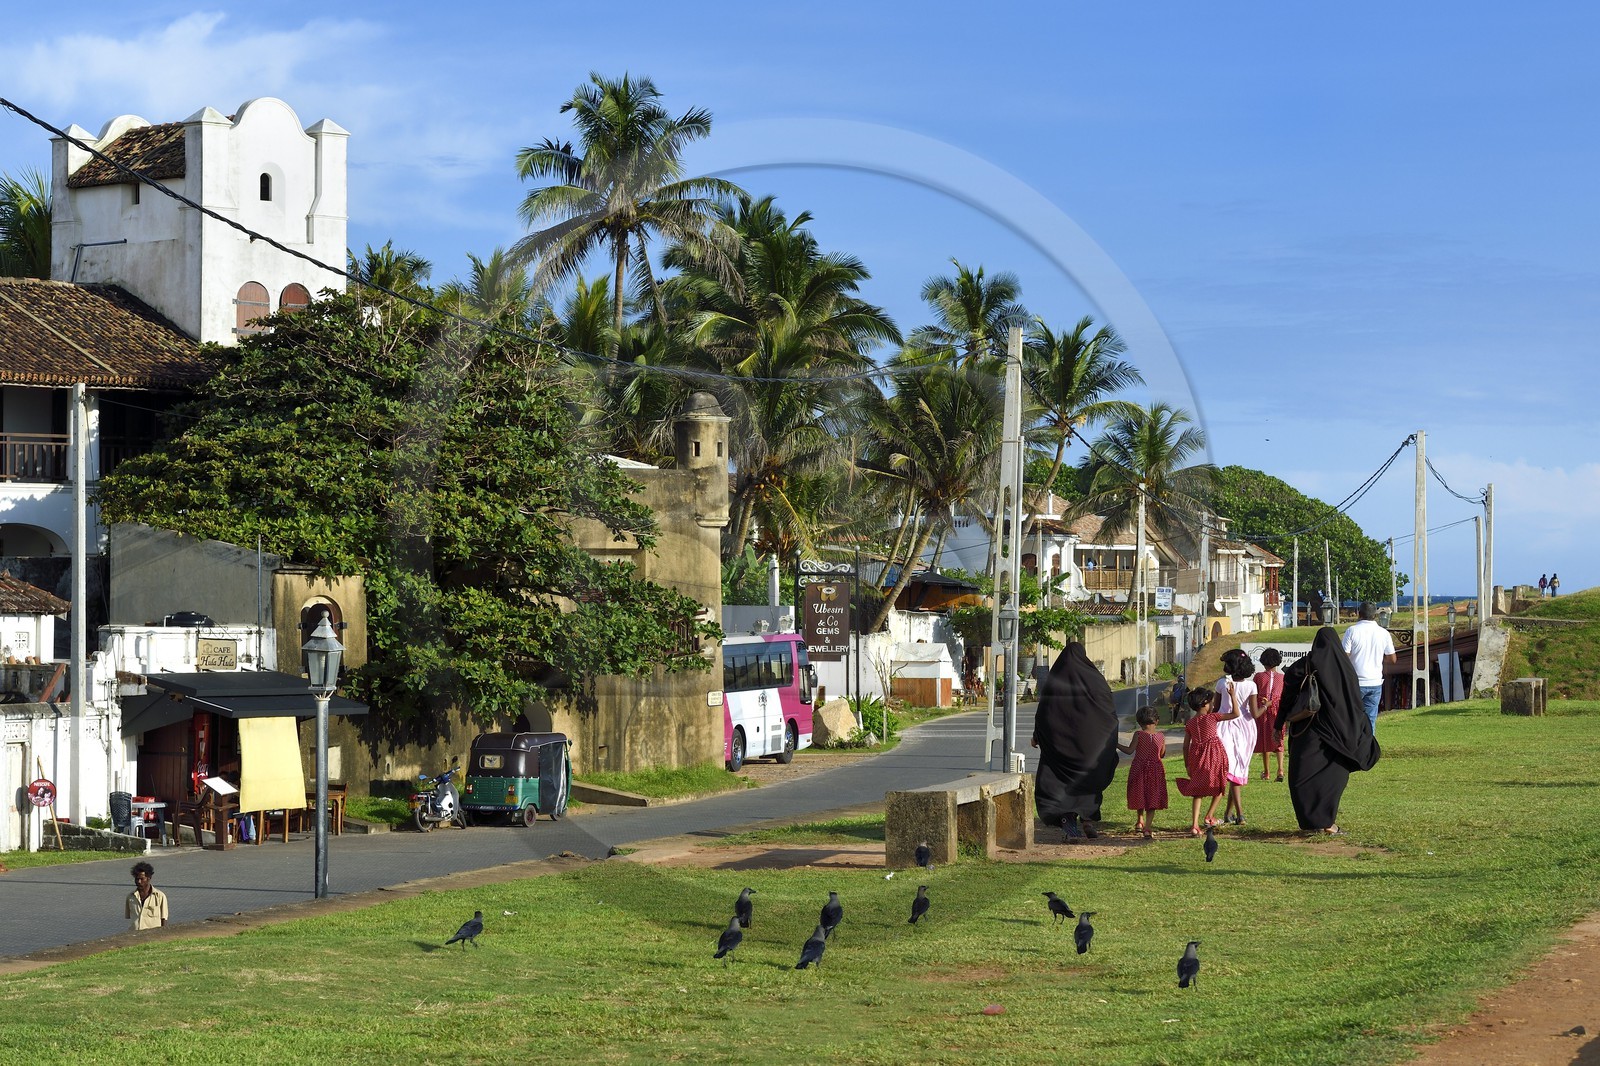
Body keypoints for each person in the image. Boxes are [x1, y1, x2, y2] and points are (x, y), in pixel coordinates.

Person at [1276, 626, 1380, 834]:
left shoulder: (1303, 666)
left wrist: (1279, 723)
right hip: (1338, 733)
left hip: (1308, 730)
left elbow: (1286, 694)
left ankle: (1310, 822)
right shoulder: (1345, 669)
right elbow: (1354, 703)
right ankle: (1327, 823)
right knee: (1333, 779)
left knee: (1302, 776)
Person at [1030, 642, 1120, 842]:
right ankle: (1087, 820)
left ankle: (1068, 822)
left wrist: (1038, 735)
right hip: (1090, 748)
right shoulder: (1096, 680)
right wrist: (1107, 739)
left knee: (1057, 780)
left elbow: (1044, 713)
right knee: (1089, 779)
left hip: (1060, 749)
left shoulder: (1055, 681)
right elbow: (1109, 713)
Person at [1175, 686, 1240, 835]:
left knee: (1197, 792)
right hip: (1215, 756)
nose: (1212, 705)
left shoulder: (1190, 723)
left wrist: (1187, 764)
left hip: (1196, 758)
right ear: (1204, 703)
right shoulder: (1213, 717)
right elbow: (1236, 713)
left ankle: (1194, 825)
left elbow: (1186, 746)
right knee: (1219, 786)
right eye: (1210, 703)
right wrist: (1232, 696)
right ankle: (1209, 816)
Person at [1214, 649, 1258, 825]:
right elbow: (1255, 713)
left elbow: (1216, 709)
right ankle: (1239, 814)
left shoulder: (1221, 684)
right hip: (1245, 728)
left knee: (1232, 771)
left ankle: (1229, 813)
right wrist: (1267, 706)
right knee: (1236, 770)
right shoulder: (1251, 686)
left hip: (1224, 726)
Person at [1341, 602, 1396, 731]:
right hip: (1375, 682)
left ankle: (1353, 748)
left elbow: (1344, 656)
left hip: (1355, 682)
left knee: (1352, 719)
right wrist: (1378, 657)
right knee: (1370, 720)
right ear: (1375, 616)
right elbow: (1392, 659)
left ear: (1359, 614)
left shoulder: (1352, 631)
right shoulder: (1383, 633)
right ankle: (1369, 748)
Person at [1118, 705, 1168, 839]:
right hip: (1155, 770)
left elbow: (1129, 751)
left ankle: (1140, 820)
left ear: (1139, 723)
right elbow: (1162, 754)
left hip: (1139, 768)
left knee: (1140, 793)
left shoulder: (1138, 734)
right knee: (1152, 796)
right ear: (1156, 721)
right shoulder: (1161, 736)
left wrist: (1115, 744)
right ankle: (1148, 828)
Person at [1254, 648, 1287, 782]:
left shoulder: (1258, 676)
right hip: (1278, 711)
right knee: (1279, 739)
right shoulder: (1282, 677)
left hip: (1263, 709)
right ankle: (1280, 769)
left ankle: (1267, 771)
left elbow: (1254, 693)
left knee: (1264, 739)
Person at [126, 861, 168, 931]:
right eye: (137, 879)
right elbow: (131, 918)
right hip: (134, 936)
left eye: (142, 879)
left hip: (153, 937)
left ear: (149, 878)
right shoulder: (130, 897)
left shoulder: (160, 896)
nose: (139, 882)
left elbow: (164, 919)